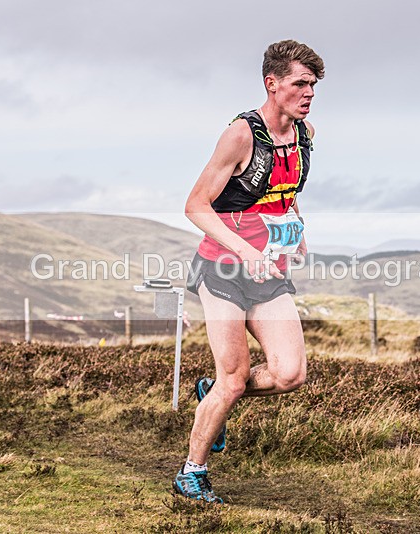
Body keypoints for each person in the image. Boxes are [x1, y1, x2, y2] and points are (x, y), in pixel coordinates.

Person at [173, 40, 324, 503]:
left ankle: (211, 393)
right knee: (235, 378)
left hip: (269, 271)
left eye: (314, 84)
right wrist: (243, 249)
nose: (309, 92)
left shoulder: (305, 134)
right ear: (271, 84)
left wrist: (296, 231)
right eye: (300, 83)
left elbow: (284, 191)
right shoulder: (240, 135)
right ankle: (191, 474)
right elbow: (195, 206)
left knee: (289, 374)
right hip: (222, 272)